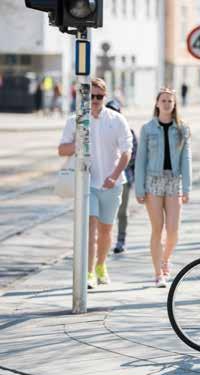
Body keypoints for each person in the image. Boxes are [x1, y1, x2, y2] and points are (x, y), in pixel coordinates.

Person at [58, 78, 132, 289]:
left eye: (99, 96)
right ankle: (89, 272)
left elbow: (127, 151)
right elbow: (61, 150)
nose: (95, 100)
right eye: (91, 96)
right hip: (86, 183)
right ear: (84, 97)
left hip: (112, 183)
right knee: (90, 229)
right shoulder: (75, 120)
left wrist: (114, 175)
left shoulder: (116, 120)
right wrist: (78, 142)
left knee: (106, 231)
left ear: (105, 97)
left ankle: (101, 265)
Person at [135, 88, 192, 288]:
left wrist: (187, 187)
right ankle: (158, 274)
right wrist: (139, 189)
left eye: (170, 100)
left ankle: (165, 258)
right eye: (164, 100)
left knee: (174, 230)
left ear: (174, 104)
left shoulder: (182, 129)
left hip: (174, 181)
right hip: (153, 181)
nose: (167, 103)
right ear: (157, 103)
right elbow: (140, 159)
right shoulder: (148, 128)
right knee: (157, 229)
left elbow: (186, 158)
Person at [105, 99, 138, 254]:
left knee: (122, 212)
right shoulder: (100, 131)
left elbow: (134, 156)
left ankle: (120, 240)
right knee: (104, 213)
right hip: (104, 179)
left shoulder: (128, 132)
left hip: (124, 178)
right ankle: (105, 241)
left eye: (115, 111)